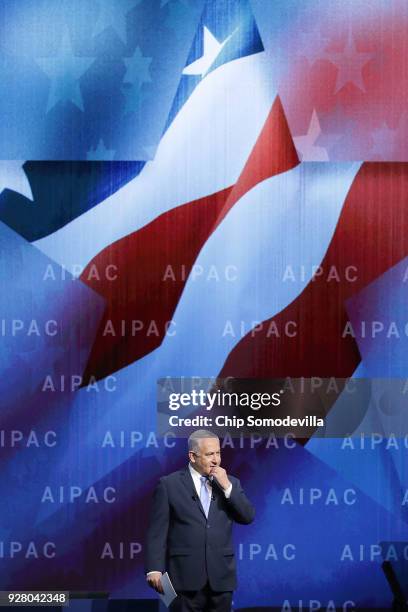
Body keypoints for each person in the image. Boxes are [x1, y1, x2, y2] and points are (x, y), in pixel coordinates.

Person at [145, 429, 255, 611]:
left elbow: (247, 516)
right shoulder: (168, 484)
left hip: (221, 579)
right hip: (183, 579)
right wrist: (154, 568)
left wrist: (227, 487)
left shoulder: (231, 484)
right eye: (209, 454)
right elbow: (157, 531)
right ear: (192, 456)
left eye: (218, 453)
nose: (216, 459)